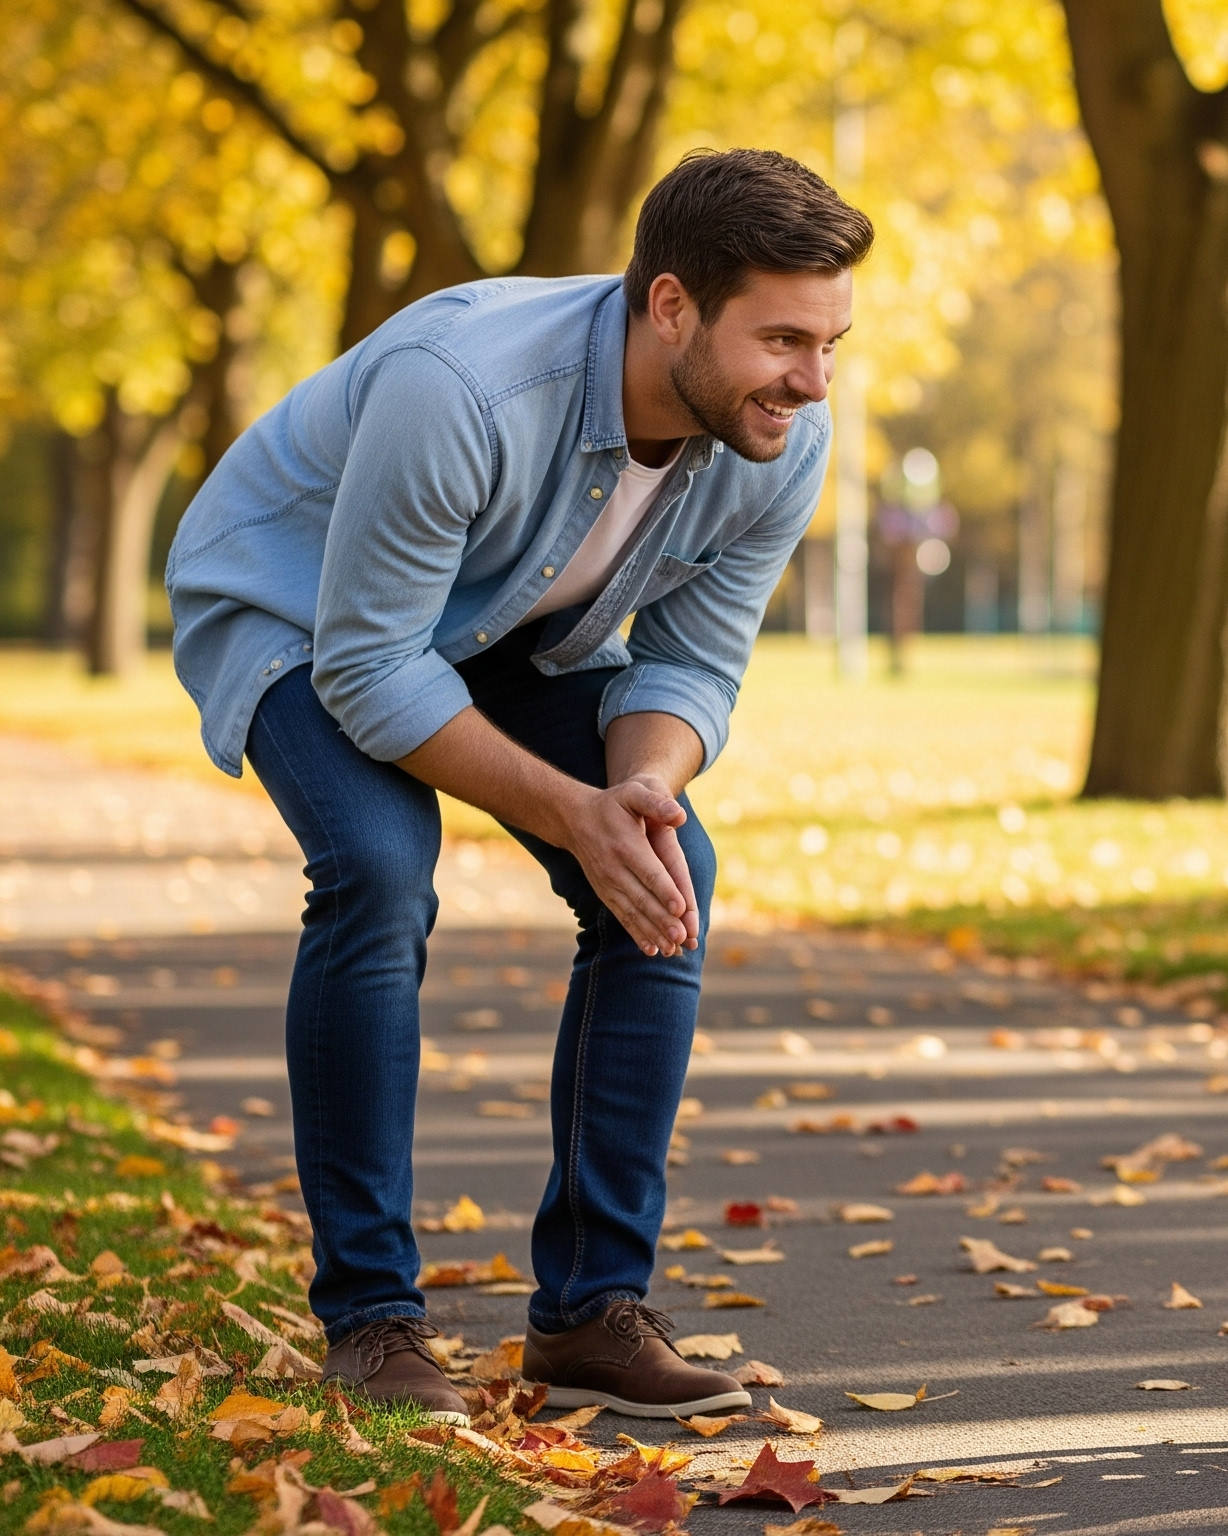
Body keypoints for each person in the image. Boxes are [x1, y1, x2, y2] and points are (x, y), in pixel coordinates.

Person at [163, 149, 873, 1423]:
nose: (811, 383)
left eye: (830, 343)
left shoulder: (781, 437)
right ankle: (371, 1321)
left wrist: (639, 793)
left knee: (667, 866)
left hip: (502, 631)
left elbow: (693, 660)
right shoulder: (468, 390)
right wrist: (570, 812)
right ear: (670, 307)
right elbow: (375, 666)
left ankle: (591, 1313)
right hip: (299, 615)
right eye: (781, 340)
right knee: (378, 870)